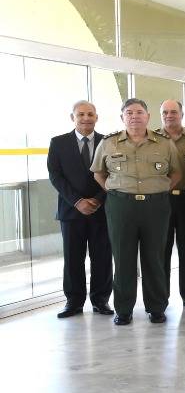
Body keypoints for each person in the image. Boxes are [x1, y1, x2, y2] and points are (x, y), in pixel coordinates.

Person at [90, 98, 182, 325]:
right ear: (122, 117)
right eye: (129, 112)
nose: (134, 116)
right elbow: (98, 173)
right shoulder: (109, 143)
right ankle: (123, 309)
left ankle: (157, 307)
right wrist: (114, 191)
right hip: (121, 206)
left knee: (155, 258)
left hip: (156, 207)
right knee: (123, 259)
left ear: (148, 117)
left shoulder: (164, 143)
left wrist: (158, 191)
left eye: (139, 112)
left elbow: (177, 172)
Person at [48, 100, 112, 318]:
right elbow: (56, 176)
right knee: (73, 258)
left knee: (102, 257)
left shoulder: (109, 142)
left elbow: (114, 176)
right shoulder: (58, 143)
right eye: (81, 114)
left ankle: (101, 301)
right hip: (70, 210)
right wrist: (77, 201)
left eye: (90, 114)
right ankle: (74, 303)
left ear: (97, 117)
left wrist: (97, 199)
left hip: (101, 209)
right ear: (72, 117)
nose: (86, 118)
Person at [155, 99, 185, 310]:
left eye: (173, 112)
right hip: (161, 200)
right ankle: (160, 296)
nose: (169, 115)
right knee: (161, 250)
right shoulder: (153, 138)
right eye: (165, 112)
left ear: (181, 114)